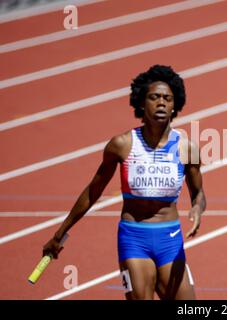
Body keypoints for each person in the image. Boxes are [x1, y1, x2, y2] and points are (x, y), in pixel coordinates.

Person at [42, 65, 206, 300]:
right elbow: (93, 191)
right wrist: (60, 233)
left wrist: (197, 209)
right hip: (134, 237)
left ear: (175, 105)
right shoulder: (122, 145)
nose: (161, 103)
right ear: (141, 103)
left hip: (170, 238)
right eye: (154, 97)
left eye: (167, 98)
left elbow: (199, 193)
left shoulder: (186, 148)